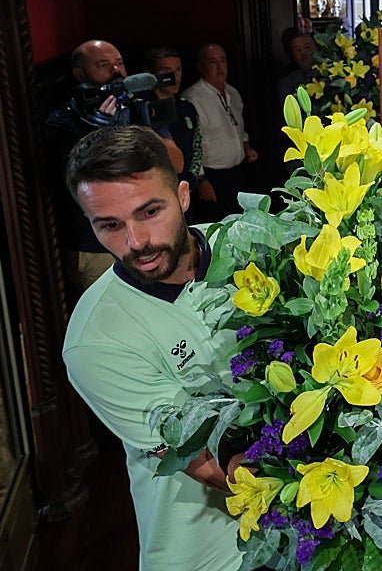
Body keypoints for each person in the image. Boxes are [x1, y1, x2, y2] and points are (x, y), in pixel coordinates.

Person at [61, 126, 242, 571]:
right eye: (110, 225)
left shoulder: (248, 247)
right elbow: (208, 464)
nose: (136, 242)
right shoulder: (95, 340)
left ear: (183, 195)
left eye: (149, 211)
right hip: (208, 553)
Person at [44, 40, 130, 291]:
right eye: (103, 65)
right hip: (94, 244)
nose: (116, 71)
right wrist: (102, 136)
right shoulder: (63, 122)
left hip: (136, 234)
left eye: (120, 63)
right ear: (80, 74)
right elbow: (78, 184)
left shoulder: (129, 108)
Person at [182, 43, 257, 222]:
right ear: (201, 67)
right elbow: (192, 143)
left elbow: (239, 128)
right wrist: (201, 180)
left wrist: (246, 147)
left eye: (223, 61)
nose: (220, 66)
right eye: (213, 62)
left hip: (238, 172)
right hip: (212, 178)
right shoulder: (192, 98)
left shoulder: (233, 93)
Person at [142, 47, 203, 219]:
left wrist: (191, 181)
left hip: (187, 194)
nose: (175, 77)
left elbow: (197, 147)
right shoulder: (144, 111)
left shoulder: (186, 108)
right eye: (166, 72)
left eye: (178, 70)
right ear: (150, 75)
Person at [275, 28, 317, 103]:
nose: (303, 52)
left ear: (316, 48)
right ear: (292, 55)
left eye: (307, 47)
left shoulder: (330, 74)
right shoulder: (286, 83)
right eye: (297, 50)